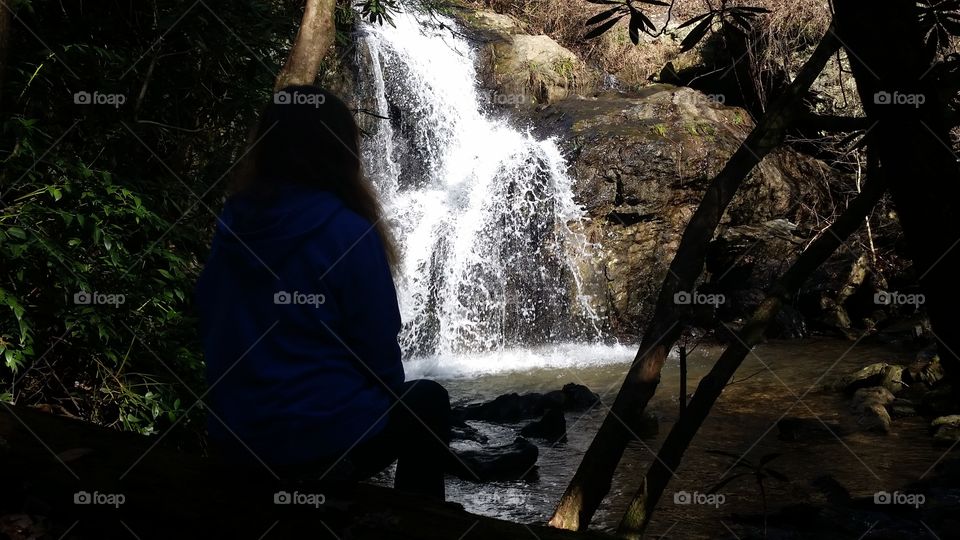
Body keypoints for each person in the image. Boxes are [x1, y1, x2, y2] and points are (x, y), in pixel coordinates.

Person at [195, 85, 450, 499]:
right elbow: (379, 346)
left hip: (236, 438)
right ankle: (417, 522)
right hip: (319, 445)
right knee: (427, 402)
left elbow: (209, 313)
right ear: (341, 150)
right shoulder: (347, 230)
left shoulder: (233, 223)